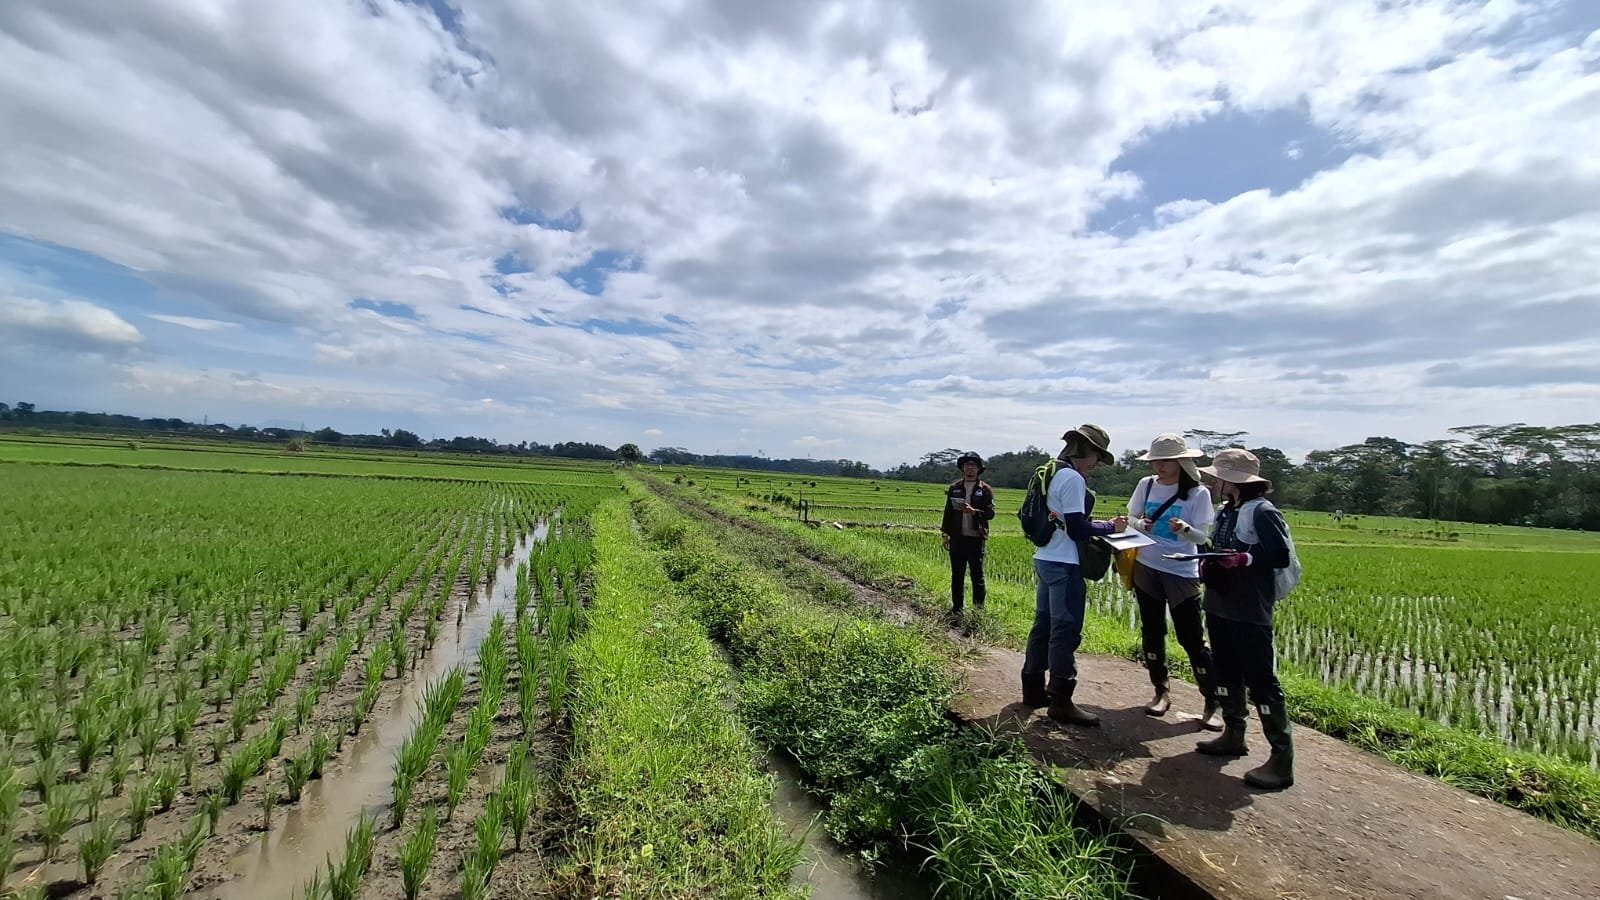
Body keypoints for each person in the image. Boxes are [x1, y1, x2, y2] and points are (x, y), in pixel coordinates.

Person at [1194, 448, 1296, 790]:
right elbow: (1220, 545)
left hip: (1249, 607)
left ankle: (1281, 760)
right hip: (1220, 601)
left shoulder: (1263, 512)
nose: (1214, 482)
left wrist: (1244, 559)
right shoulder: (1227, 510)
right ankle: (1233, 733)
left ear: (1234, 481)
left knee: (1261, 679)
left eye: (1219, 477)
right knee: (1225, 670)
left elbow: (1279, 554)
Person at [1020, 424, 1128, 726]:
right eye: (1097, 456)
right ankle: (1061, 700)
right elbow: (1078, 528)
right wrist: (1112, 527)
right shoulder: (1072, 478)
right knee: (1065, 630)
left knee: (1043, 625)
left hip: (1045, 557)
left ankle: (1032, 689)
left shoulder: (1050, 470)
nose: (1097, 463)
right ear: (1086, 450)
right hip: (1065, 563)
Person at [1127, 434, 1222, 730]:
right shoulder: (1146, 485)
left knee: (1191, 637)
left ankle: (1212, 701)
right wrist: (1141, 524)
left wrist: (1185, 529)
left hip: (1181, 571)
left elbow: (1202, 536)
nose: (1160, 466)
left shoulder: (1198, 493)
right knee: (1152, 630)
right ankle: (1161, 691)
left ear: (1181, 462)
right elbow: (1131, 518)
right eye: (1156, 460)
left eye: (1166, 461)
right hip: (1146, 564)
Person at [940, 452, 996, 616]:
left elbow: (990, 514)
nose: (969, 468)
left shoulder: (985, 489)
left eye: (973, 465)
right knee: (957, 575)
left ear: (978, 469)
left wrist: (974, 512)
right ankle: (957, 610)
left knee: (977, 576)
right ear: (962, 468)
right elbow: (948, 512)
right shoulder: (955, 488)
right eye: (967, 465)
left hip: (976, 538)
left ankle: (978, 612)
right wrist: (945, 534)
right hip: (957, 537)